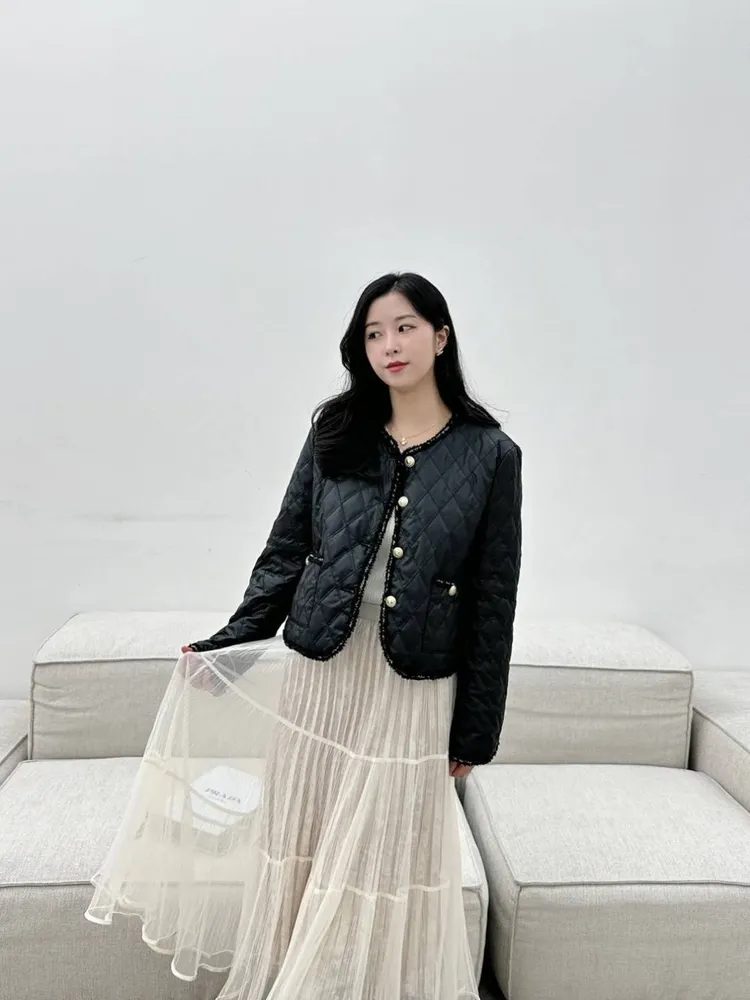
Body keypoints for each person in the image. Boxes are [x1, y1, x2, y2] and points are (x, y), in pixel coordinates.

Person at [85, 271, 523, 999]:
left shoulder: (491, 455)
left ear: (441, 337)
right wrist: (232, 641)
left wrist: (476, 732)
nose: (390, 345)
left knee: (378, 860)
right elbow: (288, 548)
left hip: (410, 688)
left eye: (406, 327)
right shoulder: (336, 431)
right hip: (320, 676)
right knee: (305, 847)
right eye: (374, 333)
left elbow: (493, 599)